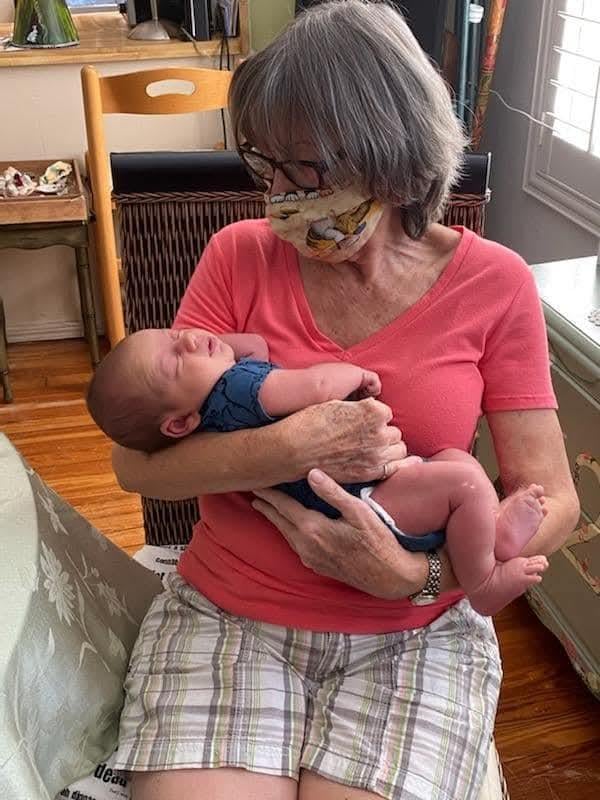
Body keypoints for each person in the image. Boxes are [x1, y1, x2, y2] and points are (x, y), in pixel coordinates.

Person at [110, 2, 580, 799]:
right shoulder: (237, 257)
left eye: (310, 170)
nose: (284, 197)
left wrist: (414, 576)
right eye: (270, 168)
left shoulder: (494, 284)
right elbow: (136, 467)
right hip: (231, 615)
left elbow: (554, 497)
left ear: (393, 151)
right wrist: (295, 446)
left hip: (415, 634)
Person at [87, 326, 549, 617]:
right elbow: (318, 384)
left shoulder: (207, 413)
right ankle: (483, 583)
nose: (186, 337)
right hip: (368, 505)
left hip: (371, 497)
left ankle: (492, 540)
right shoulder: (239, 386)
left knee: (457, 465)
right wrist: (356, 375)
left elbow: (256, 346)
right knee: (463, 479)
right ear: (178, 423)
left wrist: (221, 347)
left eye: (171, 333)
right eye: (173, 358)